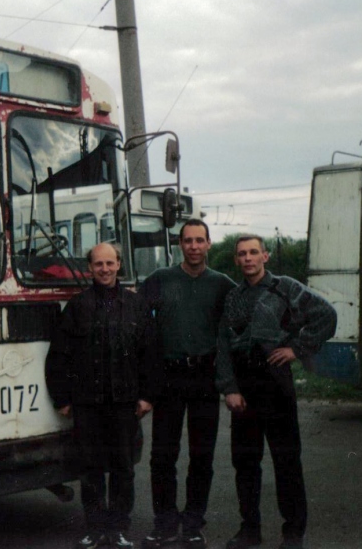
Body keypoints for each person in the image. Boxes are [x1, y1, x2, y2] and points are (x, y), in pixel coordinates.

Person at [215, 235, 337, 549]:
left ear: (265, 256)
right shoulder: (233, 297)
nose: (248, 258)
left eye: (254, 252)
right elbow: (223, 347)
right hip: (244, 386)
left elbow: (326, 315)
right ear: (236, 260)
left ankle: (293, 533)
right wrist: (229, 389)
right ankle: (249, 530)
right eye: (242, 254)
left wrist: (297, 348)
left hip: (275, 382)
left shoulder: (285, 288)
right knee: (245, 463)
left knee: (286, 460)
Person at [45, 242, 162, 549]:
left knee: (123, 469)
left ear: (119, 265)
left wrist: (148, 396)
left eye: (110, 263)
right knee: (91, 469)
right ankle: (95, 530)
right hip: (87, 404)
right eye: (99, 264)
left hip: (125, 403)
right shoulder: (77, 306)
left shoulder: (136, 305)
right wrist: (63, 399)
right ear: (90, 268)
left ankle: (119, 529)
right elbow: (58, 356)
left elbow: (150, 353)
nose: (105, 269)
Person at [140, 219, 236, 549]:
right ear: (179, 244)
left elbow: (236, 331)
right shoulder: (159, 280)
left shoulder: (222, 284)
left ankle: (194, 524)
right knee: (162, 456)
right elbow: (138, 324)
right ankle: (165, 523)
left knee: (201, 456)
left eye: (200, 240)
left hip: (204, 378)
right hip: (168, 377)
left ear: (209, 244)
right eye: (188, 241)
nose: (194, 246)